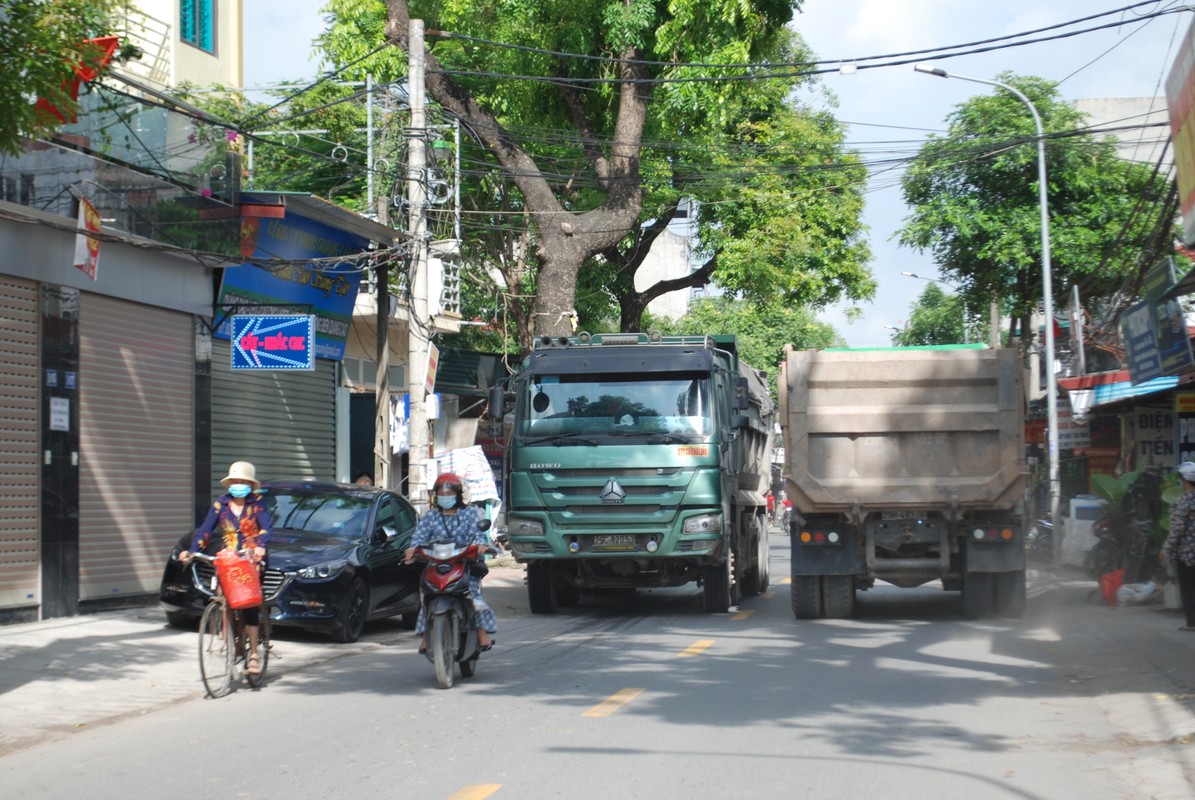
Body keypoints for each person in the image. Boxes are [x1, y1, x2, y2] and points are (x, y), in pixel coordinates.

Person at [180, 461, 273, 673]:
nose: (238, 484)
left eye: (242, 481)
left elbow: (267, 529)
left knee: (248, 602)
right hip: (228, 557)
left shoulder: (257, 503)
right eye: (235, 481)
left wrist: (258, 547)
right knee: (222, 596)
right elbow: (205, 530)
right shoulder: (220, 504)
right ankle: (231, 635)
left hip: (252, 558)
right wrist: (192, 550)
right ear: (229, 483)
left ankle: (255, 656)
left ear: (250, 484)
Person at [404, 472, 497, 653]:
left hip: (463, 562)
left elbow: (478, 534)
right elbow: (419, 536)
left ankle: (481, 632)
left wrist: (481, 546)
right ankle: (426, 636)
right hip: (437, 563)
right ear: (436, 496)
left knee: (474, 595)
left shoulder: (468, 514)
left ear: (458, 494)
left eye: (449, 493)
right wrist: (412, 549)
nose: (445, 497)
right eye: (442, 494)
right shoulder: (431, 516)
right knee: (428, 595)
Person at [1162, 461, 1195, 631]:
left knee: (1187, 588)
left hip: (1188, 553)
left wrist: (1167, 548)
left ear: (1185, 480)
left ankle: (1191, 623)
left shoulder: (1184, 501)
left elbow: (1177, 529)